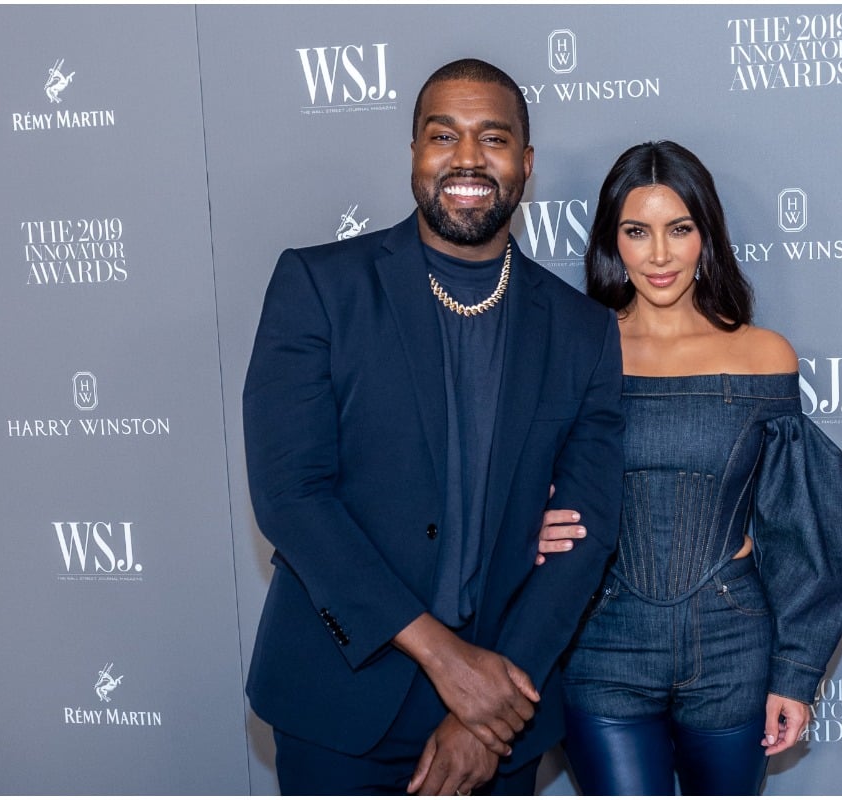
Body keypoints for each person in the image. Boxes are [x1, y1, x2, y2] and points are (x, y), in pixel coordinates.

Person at [242, 58, 624, 796]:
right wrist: (451, 664)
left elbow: (587, 534)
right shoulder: (320, 287)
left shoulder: (582, 332)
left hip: (503, 712)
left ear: (526, 162)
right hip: (340, 701)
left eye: (494, 138)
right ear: (414, 153)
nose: (468, 159)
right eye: (443, 136)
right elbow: (292, 496)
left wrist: (491, 710)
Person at [537, 141, 842, 795]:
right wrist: (530, 524)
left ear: (705, 236)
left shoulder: (763, 355)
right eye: (637, 231)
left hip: (732, 646)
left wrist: (795, 672)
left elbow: (800, 524)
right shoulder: (572, 352)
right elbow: (505, 482)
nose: (659, 255)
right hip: (602, 645)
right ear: (612, 241)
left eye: (679, 229)